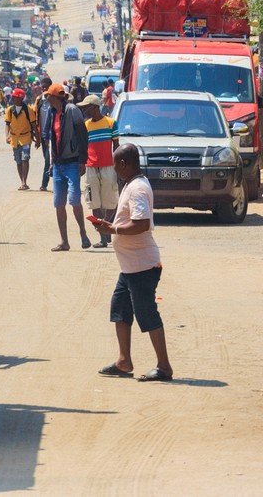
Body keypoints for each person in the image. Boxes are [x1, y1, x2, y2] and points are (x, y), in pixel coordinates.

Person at [94, 144, 173, 382]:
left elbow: (141, 223)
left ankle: (164, 367)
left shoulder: (138, 188)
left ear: (124, 164)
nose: (115, 169)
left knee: (147, 314)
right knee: (120, 309)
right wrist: (109, 225)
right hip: (130, 267)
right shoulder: (132, 184)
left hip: (142, 266)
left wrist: (113, 228)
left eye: (116, 164)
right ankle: (124, 361)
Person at [43, 83, 90, 251]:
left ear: (55, 97)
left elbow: (83, 136)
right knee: (58, 203)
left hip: (72, 163)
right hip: (57, 165)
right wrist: (51, 163)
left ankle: (83, 234)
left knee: (75, 199)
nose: (46, 98)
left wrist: (83, 160)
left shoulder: (72, 110)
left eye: (48, 95)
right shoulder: (52, 112)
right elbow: (52, 139)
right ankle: (64, 241)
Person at [77, 94, 119, 248]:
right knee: (94, 203)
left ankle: (106, 229)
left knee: (110, 203)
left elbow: (116, 147)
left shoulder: (111, 123)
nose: (84, 110)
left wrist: (119, 167)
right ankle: (103, 237)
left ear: (94, 107)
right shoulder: (86, 125)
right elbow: (82, 148)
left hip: (108, 166)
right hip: (90, 168)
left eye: (86, 107)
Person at [5, 88, 35, 190]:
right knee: (18, 161)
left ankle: (24, 182)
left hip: (26, 138)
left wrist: (38, 138)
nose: (13, 99)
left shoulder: (28, 110)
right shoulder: (9, 110)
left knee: (25, 158)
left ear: (20, 99)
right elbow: (7, 124)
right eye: (13, 97)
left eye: (15, 97)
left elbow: (33, 124)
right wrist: (7, 136)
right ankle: (21, 180)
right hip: (14, 139)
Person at [32, 76, 54, 191]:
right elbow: (35, 118)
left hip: (55, 135)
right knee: (47, 159)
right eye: (43, 87)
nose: (44, 89)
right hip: (44, 136)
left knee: (49, 160)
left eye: (46, 87)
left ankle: (45, 183)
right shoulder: (39, 100)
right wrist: (37, 136)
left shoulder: (55, 99)